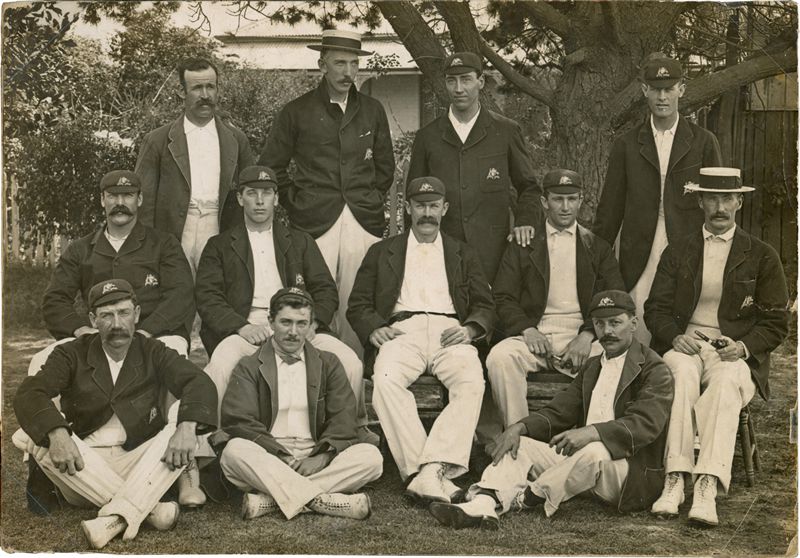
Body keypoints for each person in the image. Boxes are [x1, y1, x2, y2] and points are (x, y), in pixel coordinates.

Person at [28, 169, 204, 506]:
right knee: (42, 361)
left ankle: (186, 471)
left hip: (156, 333)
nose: (119, 203)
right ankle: (46, 459)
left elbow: (182, 295)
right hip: (97, 336)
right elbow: (55, 300)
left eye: (127, 196)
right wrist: (82, 331)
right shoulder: (83, 248)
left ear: (139, 200)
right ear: (102, 200)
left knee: (174, 360)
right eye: (112, 195)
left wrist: (147, 333)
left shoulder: (162, 243)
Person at [428, 290, 673, 529]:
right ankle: (483, 504)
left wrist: (592, 432)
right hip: (582, 469)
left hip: (627, 475)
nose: (607, 331)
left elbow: (645, 424)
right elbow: (559, 411)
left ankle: (530, 497)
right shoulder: (592, 366)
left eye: (615, 323)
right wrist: (519, 427)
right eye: (599, 324)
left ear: (633, 323)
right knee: (519, 444)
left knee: (595, 449)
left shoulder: (653, 368)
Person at [13, 279, 217, 549]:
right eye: (106, 316)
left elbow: (198, 382)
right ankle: (150, 512)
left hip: (140, 463)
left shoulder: (153, 350)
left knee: (181, 425)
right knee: (37, 441)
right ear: (92, 319)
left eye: (124, 313)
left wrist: (187, 427)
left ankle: (115, 519)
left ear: (137, 314)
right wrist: (57, 433)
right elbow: (31, 392)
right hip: (83, 467)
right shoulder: (71, 353)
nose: (117, 324)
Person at [644, 167, 789, 526]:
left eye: (727, 199)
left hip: (733, 350)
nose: (720, 207)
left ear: (739, 202)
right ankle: (675, 478)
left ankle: (707, 483)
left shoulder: (761, 255)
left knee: (725, 382)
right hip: (688, 344)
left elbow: (776, 322)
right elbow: (655, 308)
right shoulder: (679, 250)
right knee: (677, 374)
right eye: (712, 198)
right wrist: (675, 336)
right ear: (700, 202)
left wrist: (742, 346)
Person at [195, 165, 376, 444]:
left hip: (297, 325)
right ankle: (217, 439)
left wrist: (312, 324)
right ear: (240, 198)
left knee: (350, 362)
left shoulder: (300, 241)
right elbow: (208, 297)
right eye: (251, 193)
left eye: (266, 193)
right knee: (221, 364)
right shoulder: (219, 245)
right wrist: (240, 327)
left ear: (276, 199)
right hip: (248, 327)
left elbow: (325, 289)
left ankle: (353, 430)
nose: (259, 200)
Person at [347, 176, 495, 503]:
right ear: (408, 207)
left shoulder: (462, 253)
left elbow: (486, 305)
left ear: (444, 208)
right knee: (385, 381)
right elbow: (357, 304)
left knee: (472, 382)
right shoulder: (382, 251)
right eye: (419, 206)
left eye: (433, 206)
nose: (426, 213)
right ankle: (426, 471)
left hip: (450, 331)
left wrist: (470, 329)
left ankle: (428, 471)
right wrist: (373, 327)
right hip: (403, 330)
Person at [258, 30, 395, 353]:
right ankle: (314, 381)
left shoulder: (372, 110)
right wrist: (297, 201)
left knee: (358, 300)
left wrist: (370, 199)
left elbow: (385, 168)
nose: (348, 72)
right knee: (315, 300)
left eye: (353, 63)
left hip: (362, 220)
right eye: (339, 63)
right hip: (314, 220)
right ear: (322, 65)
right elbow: (271, 167)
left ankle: (356, 377)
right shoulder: (297, 111)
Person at [219, 287, 383, 521]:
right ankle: (323, 501)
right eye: (285, 322)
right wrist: (280, 456)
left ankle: (272, 500)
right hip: (268, 456)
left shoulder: (328, 362)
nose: (293, 332)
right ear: (271, 322)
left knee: (371, 457)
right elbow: (240, 421)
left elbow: (344, 418)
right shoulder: (249, 365)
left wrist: (322, 457)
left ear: (311, 325)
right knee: (233, 452)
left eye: (301, 323)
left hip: (315, 454)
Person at [593, 55, 722, 344]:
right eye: (656, 89)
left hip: (687, 250)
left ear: (682, 89)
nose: (662, 97)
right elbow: (609, 212)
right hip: (639, 251)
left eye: (669, 89)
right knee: (636, 331)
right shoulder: (626, 144)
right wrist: (596, 265)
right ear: (644, 91)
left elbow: (718, 205)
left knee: (679, 334)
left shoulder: (703, 142)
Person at [487, 169, 624, 428]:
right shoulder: (523, 244)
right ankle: (520, 437)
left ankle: (588, 444)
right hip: (535, 335)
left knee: (613, 360)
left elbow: (614, 299)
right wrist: (527, 329)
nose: (565, 207)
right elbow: (502, 296)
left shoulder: (597, 246)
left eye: (572, 199)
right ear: (544, 202)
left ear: (581, 200)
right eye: (557, 200)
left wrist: (586, 335)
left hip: (582, 337)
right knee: (500, 358)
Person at [407, 51, 542, 285]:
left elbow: (528, 187)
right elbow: (413, 196)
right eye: (452, 80)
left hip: (494, 253)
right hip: (443, 251)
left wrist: (525, 222)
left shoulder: (506, 131)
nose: (459, 88)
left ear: (480, 82)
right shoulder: (427, 137)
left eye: (466, 79)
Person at [135, 58, 254, 274]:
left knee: (215, 296)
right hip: (176, 231)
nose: (205, 95)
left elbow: (252, 193)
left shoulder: (236, 139)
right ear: (182, 92)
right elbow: (144, 202)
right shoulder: (157, 140)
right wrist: (149, 249)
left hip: (219, 228)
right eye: (197, 88)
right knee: (179, 297)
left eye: (210, 87)